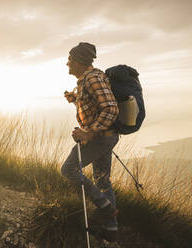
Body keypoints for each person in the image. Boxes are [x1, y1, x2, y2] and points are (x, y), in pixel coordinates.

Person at [61, 42, 121, 246]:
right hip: (105, 136)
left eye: (70, 59)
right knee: (102, 179)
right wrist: (74, 99)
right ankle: (111, 231)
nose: (67, 62)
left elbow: (111, 108)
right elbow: (94, 102)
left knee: (68, 169)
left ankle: (104, 207)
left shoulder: (93, 78)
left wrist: (88, 131)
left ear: (77, 61)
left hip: (100, 136)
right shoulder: (86, 79)